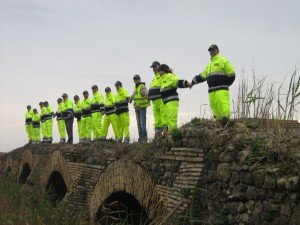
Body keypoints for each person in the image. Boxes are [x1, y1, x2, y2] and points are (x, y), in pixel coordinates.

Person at [188, 44, 235, 125]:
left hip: (221, 90)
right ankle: (219, 126)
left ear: (217, 51)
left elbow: (232, 74)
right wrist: (192, 82)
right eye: (210, 50)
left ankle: (227, 125)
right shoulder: (209, 65)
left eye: (213, 50)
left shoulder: (223, 61)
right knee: (215, 110)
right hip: (211, 92)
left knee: (224, 107)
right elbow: (201, 76)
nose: (211, 52)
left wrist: (225, 85)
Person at [158, 64, 189, 134]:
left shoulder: (169, 76)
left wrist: (186, 83)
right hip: (167, 102)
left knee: (172, 119)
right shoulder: (164, 79)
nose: (159, 73)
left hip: (171, 101)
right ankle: (171, 135)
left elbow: (177, 81)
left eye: (159, 71)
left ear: (163, 70)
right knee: (169, 119)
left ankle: (173, 135)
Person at [148, 61, 168, 140]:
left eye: (154, 66)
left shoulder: (162, 76)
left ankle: (165, 132)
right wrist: (149, 95)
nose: (153, 68)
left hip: (161, 100)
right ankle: (158, 135)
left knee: (163, 116)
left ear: (159, 66)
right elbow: (152, 89)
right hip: (154, 102)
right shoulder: (154, 79)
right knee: (157, 119)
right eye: (152, 67)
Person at [129, 75, 150, 142]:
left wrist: (147, 96)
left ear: (139, 79)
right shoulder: (135, 87)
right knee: (139, 125)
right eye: (134, 79)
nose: (135, 80)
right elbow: (134, 94)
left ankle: (144, 138)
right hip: (137, 108)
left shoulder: (142, 86)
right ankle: (141, 138)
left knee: (142, 124)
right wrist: (130, 99)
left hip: (142, 107)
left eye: (136, 79)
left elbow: (146, 93)